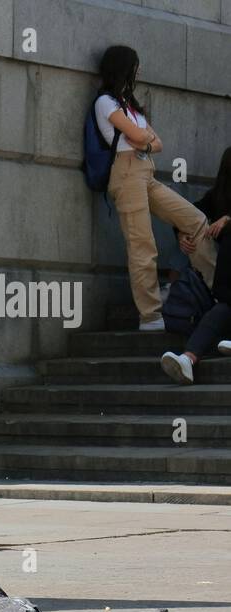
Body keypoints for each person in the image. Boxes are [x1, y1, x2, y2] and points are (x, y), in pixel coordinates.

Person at [96, 46, 217, 331]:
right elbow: (140, 135)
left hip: (145, 171)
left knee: (196, 221)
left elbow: (156, 143)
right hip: (126, 173)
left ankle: (220, 292)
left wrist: (144, 141)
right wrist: (144, 139)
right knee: (142, 246)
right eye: (136, 65)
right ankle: (150, 317)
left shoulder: (130, 104)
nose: (139, 70)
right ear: (125, 67)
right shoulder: (105, 102)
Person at [159, 147, 231, 383]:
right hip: (222, 280)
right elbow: (193, 214)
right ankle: (187, 361)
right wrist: (181, 234)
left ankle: (189, 357)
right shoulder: (217, 196)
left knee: (223, 309)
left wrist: (229, 219)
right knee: (194, 223)